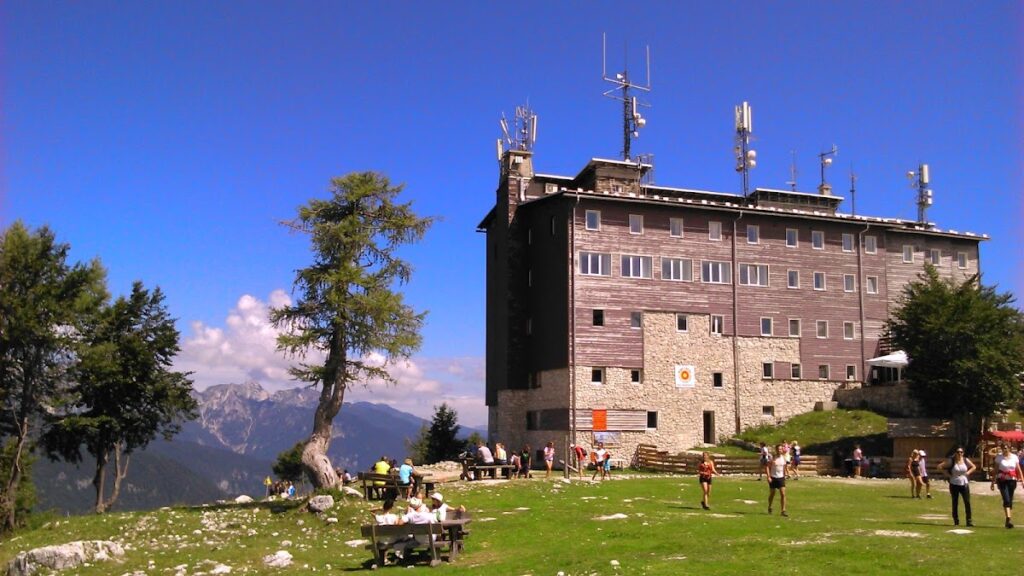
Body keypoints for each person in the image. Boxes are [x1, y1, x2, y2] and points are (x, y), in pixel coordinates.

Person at [937, 446, 975, 527]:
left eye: (961, 452)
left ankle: (969, 521)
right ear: (955, 453)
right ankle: (956, 521)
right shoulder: (951, 460)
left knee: (967, 502)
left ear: (963, 453)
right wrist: (947, 475)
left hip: (964, 483)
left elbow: (974, 467)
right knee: (955, 502)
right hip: (954, 483)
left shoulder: (965, 460)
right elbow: (939, 466)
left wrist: (968, 473)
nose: (959, 454)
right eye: (958, 452)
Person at [990, 443, 1022, 529]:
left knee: (1010, 500)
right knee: (1006, 499)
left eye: (1006, 448)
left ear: (1009, 448)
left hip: (1012, 480)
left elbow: (1018, 469)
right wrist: (992, 482)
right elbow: (996, 470)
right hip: (1002, 480)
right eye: (1003, 448)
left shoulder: (1014, 457)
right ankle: (1008, 518)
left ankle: (1008, 521)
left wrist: (1022, 480)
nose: (1005, 449)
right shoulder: (999, 457)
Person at [765, 444, 788, 517]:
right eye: (778, 449)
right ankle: (770, 506)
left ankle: (783, 511)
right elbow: (767, 467)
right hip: (773, 477)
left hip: (781, 478)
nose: (779, 450)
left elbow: (784, 467)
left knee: (783, 494)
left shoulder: (783, 458)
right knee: (772, 493)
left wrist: (785, 475)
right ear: (776, 450)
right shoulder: (772, 458)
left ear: (782, 450)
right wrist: (768, 476)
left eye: (780, 449)